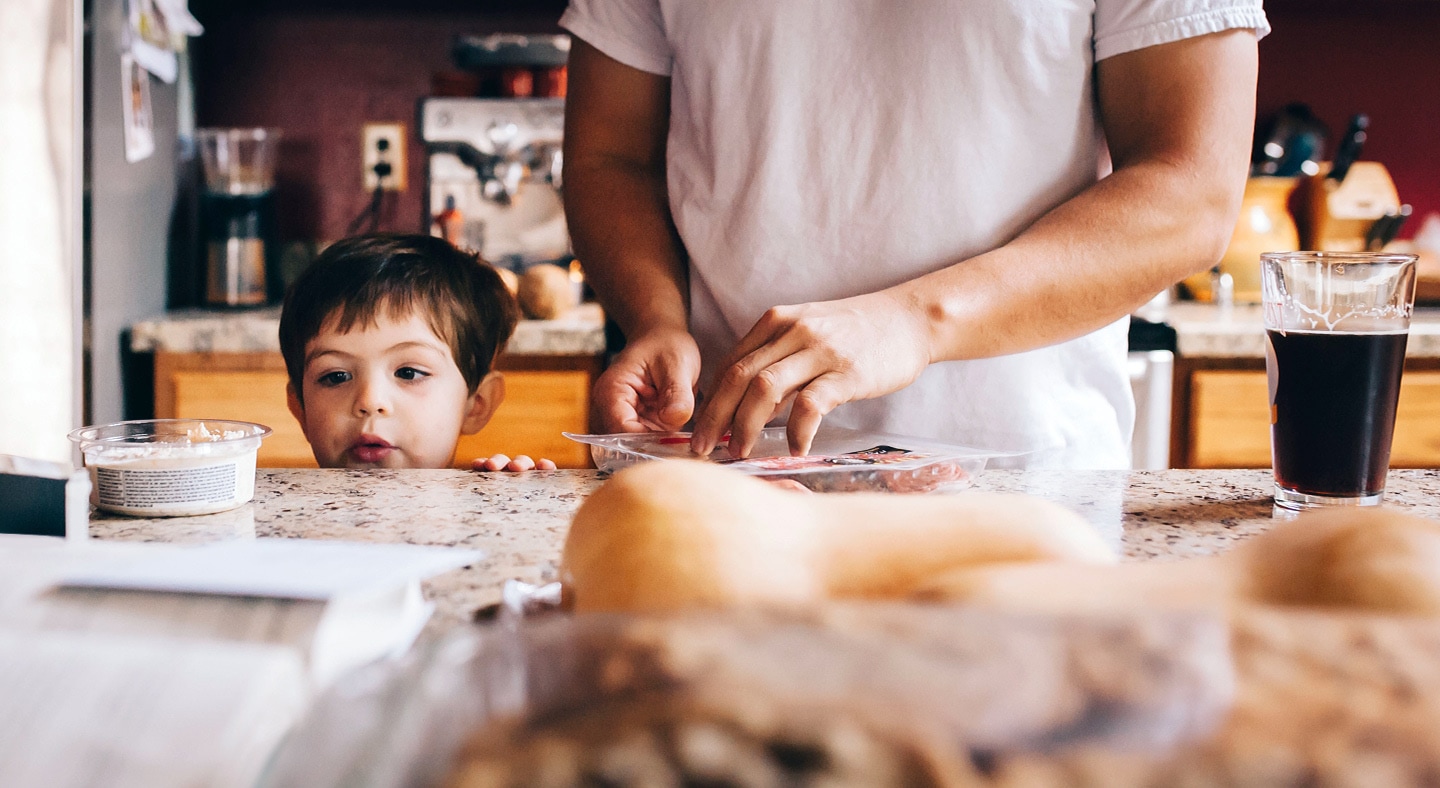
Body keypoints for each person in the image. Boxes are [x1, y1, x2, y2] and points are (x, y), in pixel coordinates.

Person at [561, 1, 1269, 468]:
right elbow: (610, 158)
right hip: (730, 482)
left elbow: (1192, 191)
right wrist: (656, 318)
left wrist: (915, 321)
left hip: (1024, 495)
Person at [278, 233, 556, 471]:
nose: (370, 401)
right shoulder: (283, 527)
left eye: (408, 373)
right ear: (300, 410)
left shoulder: (489, 514)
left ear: (477, 404)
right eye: (336, 376)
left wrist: (511, 514)